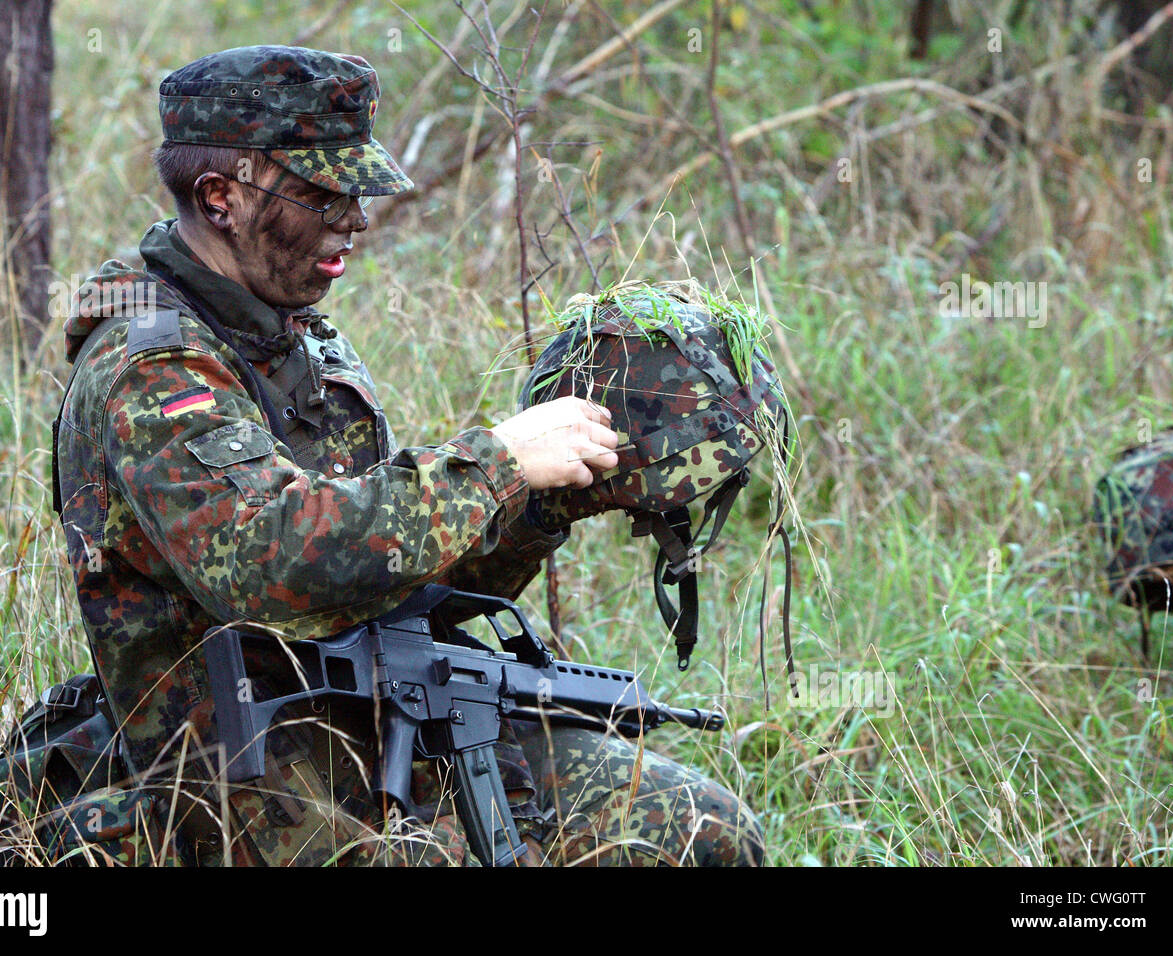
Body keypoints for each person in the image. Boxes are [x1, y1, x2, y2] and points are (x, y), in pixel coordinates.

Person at [53, 44, 764, 865]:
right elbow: (266, 558)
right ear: (221, 198)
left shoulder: (298, 336)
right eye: (324, 194)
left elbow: (389, 582)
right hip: (233, 774)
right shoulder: (152, 367)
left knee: (700, 828)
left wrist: (541, 505)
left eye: (357, 193)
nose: (354, 219)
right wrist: (496, 461)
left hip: (381, 722)